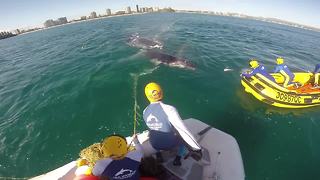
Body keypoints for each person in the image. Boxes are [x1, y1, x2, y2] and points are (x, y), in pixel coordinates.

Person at [142, 82, 202, 166]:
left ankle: (159, 156)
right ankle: (177, 159)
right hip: (168, 144)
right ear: (161, 92)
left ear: (147, 96)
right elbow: (183, 131)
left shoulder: (145, 111)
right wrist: (197, 149)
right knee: (183, 140)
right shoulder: (169, 109)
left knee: (155, 133)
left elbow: (153, 127)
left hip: (154, 144)